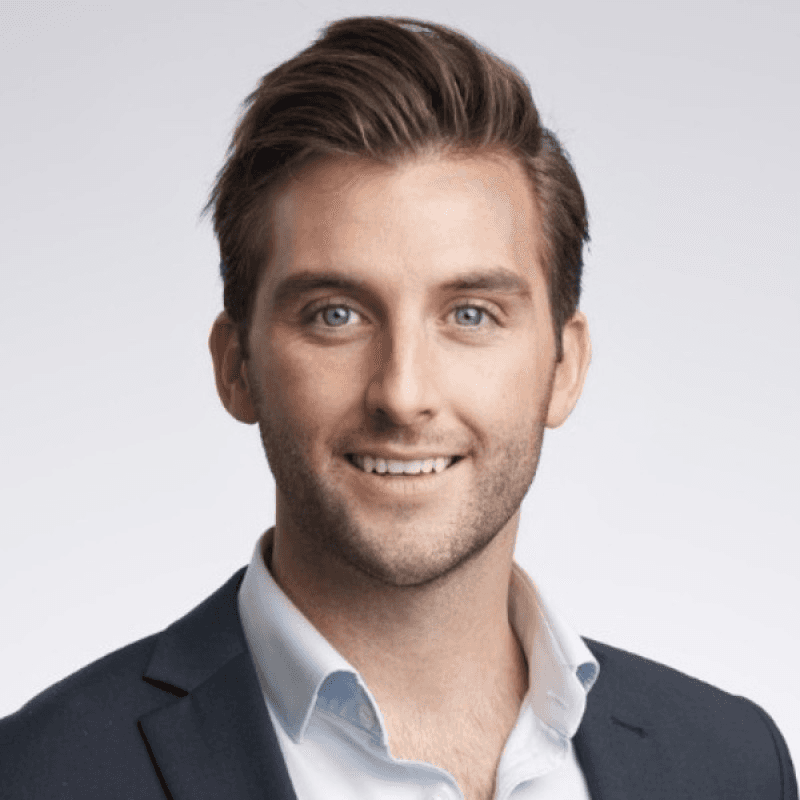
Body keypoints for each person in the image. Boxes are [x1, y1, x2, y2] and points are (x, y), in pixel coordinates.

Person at [0, 15, 795, 800]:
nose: (403, 394)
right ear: (236, 365)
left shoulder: (732, 763)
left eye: (472, 314)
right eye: (335, 314)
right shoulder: (39, 775)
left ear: (564, 366)